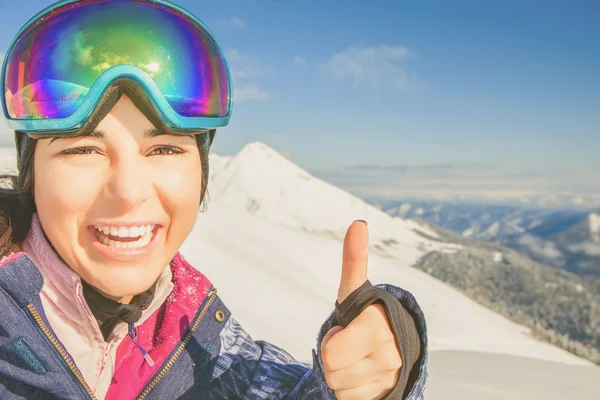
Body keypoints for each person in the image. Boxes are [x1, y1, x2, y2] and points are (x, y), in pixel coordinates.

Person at [0, 1, 429, 399]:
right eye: (82, 149)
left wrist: (377, 377)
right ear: (32, 176)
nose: (128, 191)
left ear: (202, 173)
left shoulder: (203, 345)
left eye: (165, 149)